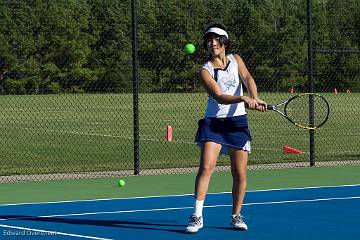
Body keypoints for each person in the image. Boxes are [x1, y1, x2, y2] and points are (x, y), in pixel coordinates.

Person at [186, 23, 267, 233]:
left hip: (237, 123)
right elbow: (220, 97)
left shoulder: (236, 59)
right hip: (214, 123)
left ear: (224, 42)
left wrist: (255, 98)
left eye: (216, 39)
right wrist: (243, 97)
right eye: (209, 40)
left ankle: (236, 216)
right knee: (206, 168)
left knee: (240, 173)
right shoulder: (205, 70)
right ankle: (197, 216)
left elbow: (248, 79)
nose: (212, 43)